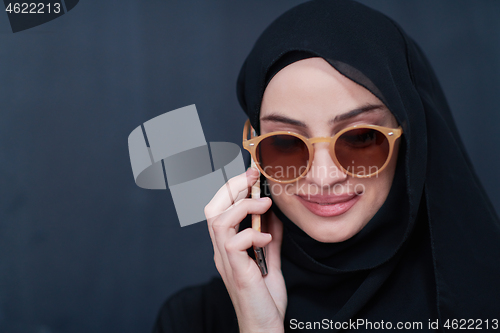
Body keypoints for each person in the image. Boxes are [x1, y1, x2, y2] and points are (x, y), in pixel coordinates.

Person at [153, 1, 500, 332]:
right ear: (255, 145)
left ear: (410, 138)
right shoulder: (193, 321)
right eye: (286, 143)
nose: (324, 177)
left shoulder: (484, 303)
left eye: (361, 137)